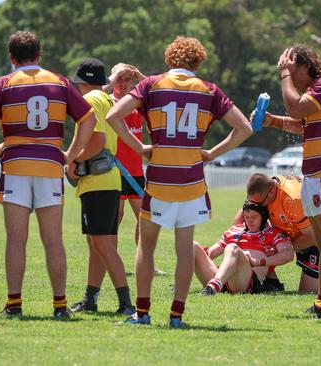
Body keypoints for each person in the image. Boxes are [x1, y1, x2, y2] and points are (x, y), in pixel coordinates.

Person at [107, 36, 252, 328]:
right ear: (198, 61)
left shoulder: (151, 85)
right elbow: (244, 128)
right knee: (184, 251)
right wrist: (211, 152)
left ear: (169, 59)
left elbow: (113, 115)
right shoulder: (209, 90)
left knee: (145, 248)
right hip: (191, 182)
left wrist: (140, 148)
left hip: (159, 178)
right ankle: (176, 316)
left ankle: (143, 313)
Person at [0, 31, 96, 319]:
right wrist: (71, 154)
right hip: (50, 166)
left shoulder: (4, 83)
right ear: (39, 54)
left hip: (15, 166)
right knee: (53, 239)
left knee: (16, 239)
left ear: (12, 58)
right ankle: (60, 306)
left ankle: (14, 305)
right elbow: (89, 118)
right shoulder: (59, 82)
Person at [258, 44, 321, 319]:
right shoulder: (319, 90)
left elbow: (297, 109)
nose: (291, 78)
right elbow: (303, 124)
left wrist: (285, 76)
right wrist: (271, 121)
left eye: (292, 70)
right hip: (316, 177)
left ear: (304, 66)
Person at [67, 58, 135, 316]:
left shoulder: (90, 100)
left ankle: (126, 303)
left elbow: (97, 140)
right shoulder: (108, 100)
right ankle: (91, 298)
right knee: (99, 244)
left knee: (103, 245)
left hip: (97, 180)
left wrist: (73, 159)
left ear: (82, 82)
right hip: (109, 180)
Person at [242, 174, 321, 294]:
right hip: (296, 234)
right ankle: (271, 282)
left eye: (260, 204)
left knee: (308, 291)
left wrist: (284, 248)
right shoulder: (264, 190)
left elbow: (313, 237)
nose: (257, 206)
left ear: (272, 192)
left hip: (316, 240)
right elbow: (244, 214)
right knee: (259, 241)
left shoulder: (293, 200)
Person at [194, 201, 294, 295]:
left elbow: (288, 255)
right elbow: (210, 254)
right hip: (222, 279)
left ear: (263, 217)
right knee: (193, 246)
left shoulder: (273, 233)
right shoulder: (235, 230)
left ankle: (213, 286)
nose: (250, 221)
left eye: (254, 217)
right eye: (246, 217)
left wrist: (258, 262)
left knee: (232, 247)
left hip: (244, 283)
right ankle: (187, 285)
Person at [107, 63, 146, 247]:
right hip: (116, 171)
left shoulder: (137, 101)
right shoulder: (107, 101)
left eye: (127, 79)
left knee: (145, 218)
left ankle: (143, 261)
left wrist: (139, 75)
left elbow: (158, 92)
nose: (123, 84)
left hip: (136, 171)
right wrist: (114, 76)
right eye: (119, 80)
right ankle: (110, 260)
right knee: (116, 217)